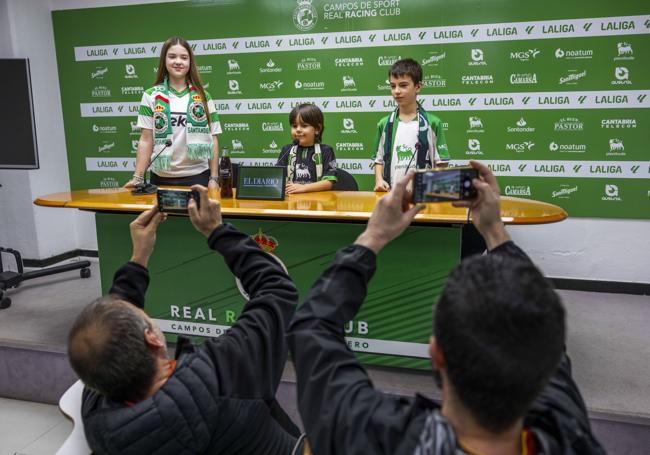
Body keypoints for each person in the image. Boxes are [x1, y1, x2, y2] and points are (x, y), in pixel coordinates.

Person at [288, 161, 605, 454]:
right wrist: (494, 229)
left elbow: (311, 328)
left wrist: (374, 235)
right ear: (548, 362)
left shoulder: (369, 432)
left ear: (435, 352)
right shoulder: (570, 433)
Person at [68, 186, 303, 454]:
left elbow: (110, 324)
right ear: (153, 339)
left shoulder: (98, 412)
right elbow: (277, 290)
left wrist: (138, 258)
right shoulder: (221, 371)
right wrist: (217, 231)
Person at [125, 36, 221, 189]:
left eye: (184, 57)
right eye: (172, 56)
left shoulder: (204, 96)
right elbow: (146, 139)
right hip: (160, 177)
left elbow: (213, 138)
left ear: (190, 62)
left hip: (197, 176)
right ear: (164, 60)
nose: (178, 61)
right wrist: (138, 177)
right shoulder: (150, 96)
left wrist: (214, 178)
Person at [373, 58, 450, 192]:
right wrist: (379, 180)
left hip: (424, 195)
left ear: (418, 86)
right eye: (392, 86)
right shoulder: (384, 123)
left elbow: (441, 163)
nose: (396, 91)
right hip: (392, 195)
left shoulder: (433, 122)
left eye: (403, 85)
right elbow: (378, 159)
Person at [275, 103, 338, 194]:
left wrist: (304, 188)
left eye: (304, 126)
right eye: (294, 126)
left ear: (317, 129)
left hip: (317, 200)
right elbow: (278, 178)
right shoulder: (286, 150)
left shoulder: (326, 151)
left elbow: (329, 182)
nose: (298, 130)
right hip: (291, 200)